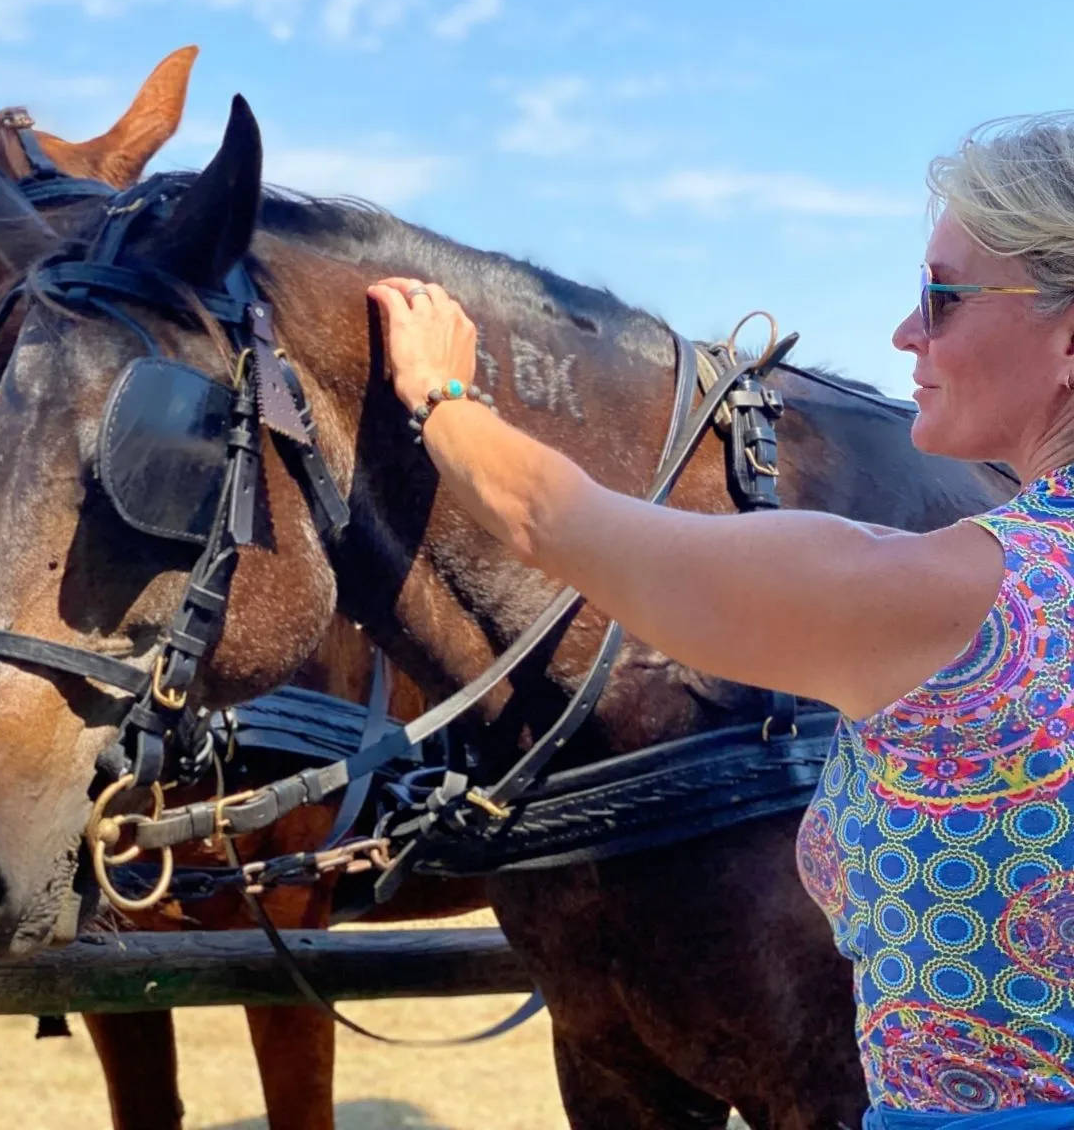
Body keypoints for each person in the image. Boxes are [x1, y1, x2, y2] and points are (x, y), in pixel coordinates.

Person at [367, 113, 1074, 1130]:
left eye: (943, 295)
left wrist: (441, 396)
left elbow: (552, 519)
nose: (905, 334)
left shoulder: (958, 600)